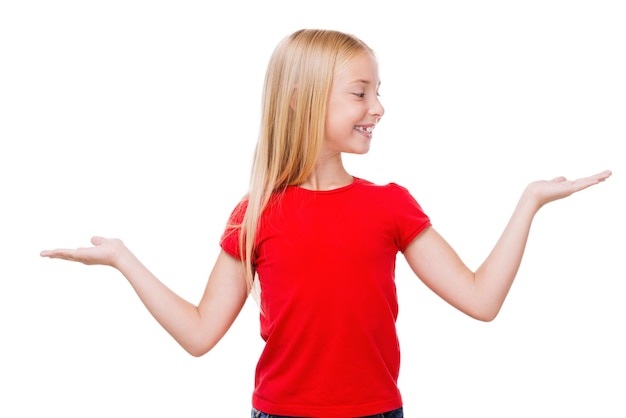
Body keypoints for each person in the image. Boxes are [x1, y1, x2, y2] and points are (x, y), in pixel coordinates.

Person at [40, 29, 611, 418]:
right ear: (301, 100)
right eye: (360, 93)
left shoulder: (391, 205)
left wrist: (529, 202)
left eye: (378, 92)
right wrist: (123, 259)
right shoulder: (257, 212)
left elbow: (481, 300)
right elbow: (198, 333)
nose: (378, 108)